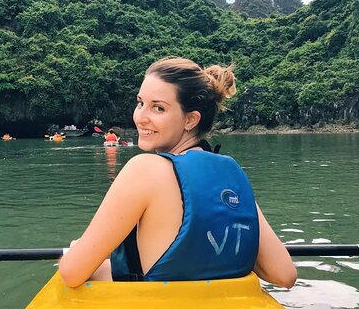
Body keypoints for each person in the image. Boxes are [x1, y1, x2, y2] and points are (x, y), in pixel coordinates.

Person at [59, 57, 297, 288]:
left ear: (191, 119)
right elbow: (283, 274)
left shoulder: (144, 170)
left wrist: (93, 263)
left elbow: (71, 273)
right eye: (141, 102)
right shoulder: (231, 174)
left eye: (158, 108)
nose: (141, 117)